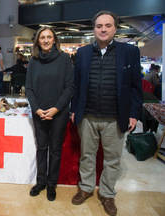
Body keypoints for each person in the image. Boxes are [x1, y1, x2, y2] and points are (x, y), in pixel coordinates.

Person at [70, 11, 142, 216]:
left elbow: (136, 87)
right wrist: (74, 109)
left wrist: (133, 114)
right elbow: (76, 85)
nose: (103, 29)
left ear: (115, 28)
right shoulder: (83, 53)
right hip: (88, 116)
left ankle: (108, 194)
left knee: (112, 159)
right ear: (94, 29)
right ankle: (85, 189)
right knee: (87, 156)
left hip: (115, 117)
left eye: (108, 25)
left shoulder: (129, 52)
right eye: (99, 25)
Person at [25, 26, 74, 201]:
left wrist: (55, 109)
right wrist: (37, 109)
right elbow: (29, 88)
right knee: (41, 148)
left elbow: (70, 88)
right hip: (39, 113)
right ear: (38, 41)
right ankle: (41, 182)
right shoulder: (33, 61)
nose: (46, 40)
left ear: (54, 40)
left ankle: (52, 184)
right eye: (42, 37)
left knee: (55, 150)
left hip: (58, 113)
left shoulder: (65, 59)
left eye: (49, 37)